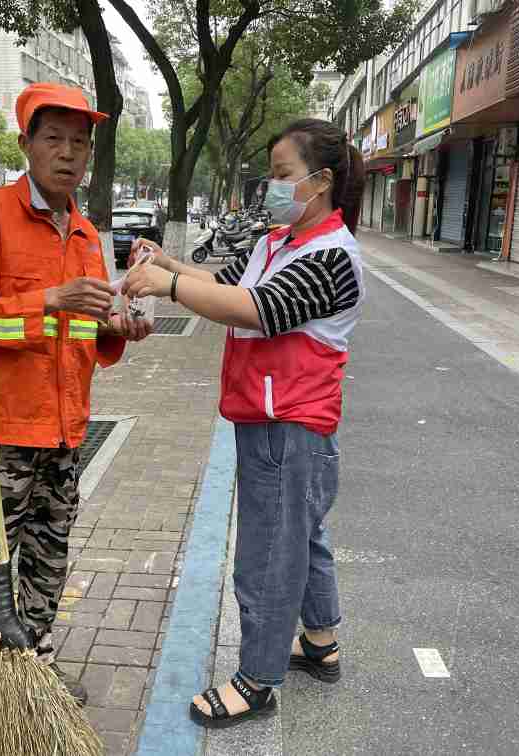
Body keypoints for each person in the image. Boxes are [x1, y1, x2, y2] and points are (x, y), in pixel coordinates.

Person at [123, 118, 366, 728]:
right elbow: (223, 282)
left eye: (284, 175)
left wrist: (168, 285)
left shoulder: (331, 256)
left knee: (269, 551)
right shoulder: (278, 242)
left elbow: (256, 308)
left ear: (321, 181)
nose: (272, 186)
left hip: (290, 423)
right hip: (271, 414)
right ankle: (320, 642)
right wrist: (168, 262)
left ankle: (257, 679)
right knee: (303, 534)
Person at [0, 82, 152, 706]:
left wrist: (117, 328)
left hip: (63, 433)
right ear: (25, 144)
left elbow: (84, 336)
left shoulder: (85, 233)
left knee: (46, 566)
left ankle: (33, 675)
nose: (68, 152)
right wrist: (49, 300)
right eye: (53, 138)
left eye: (80, 142)